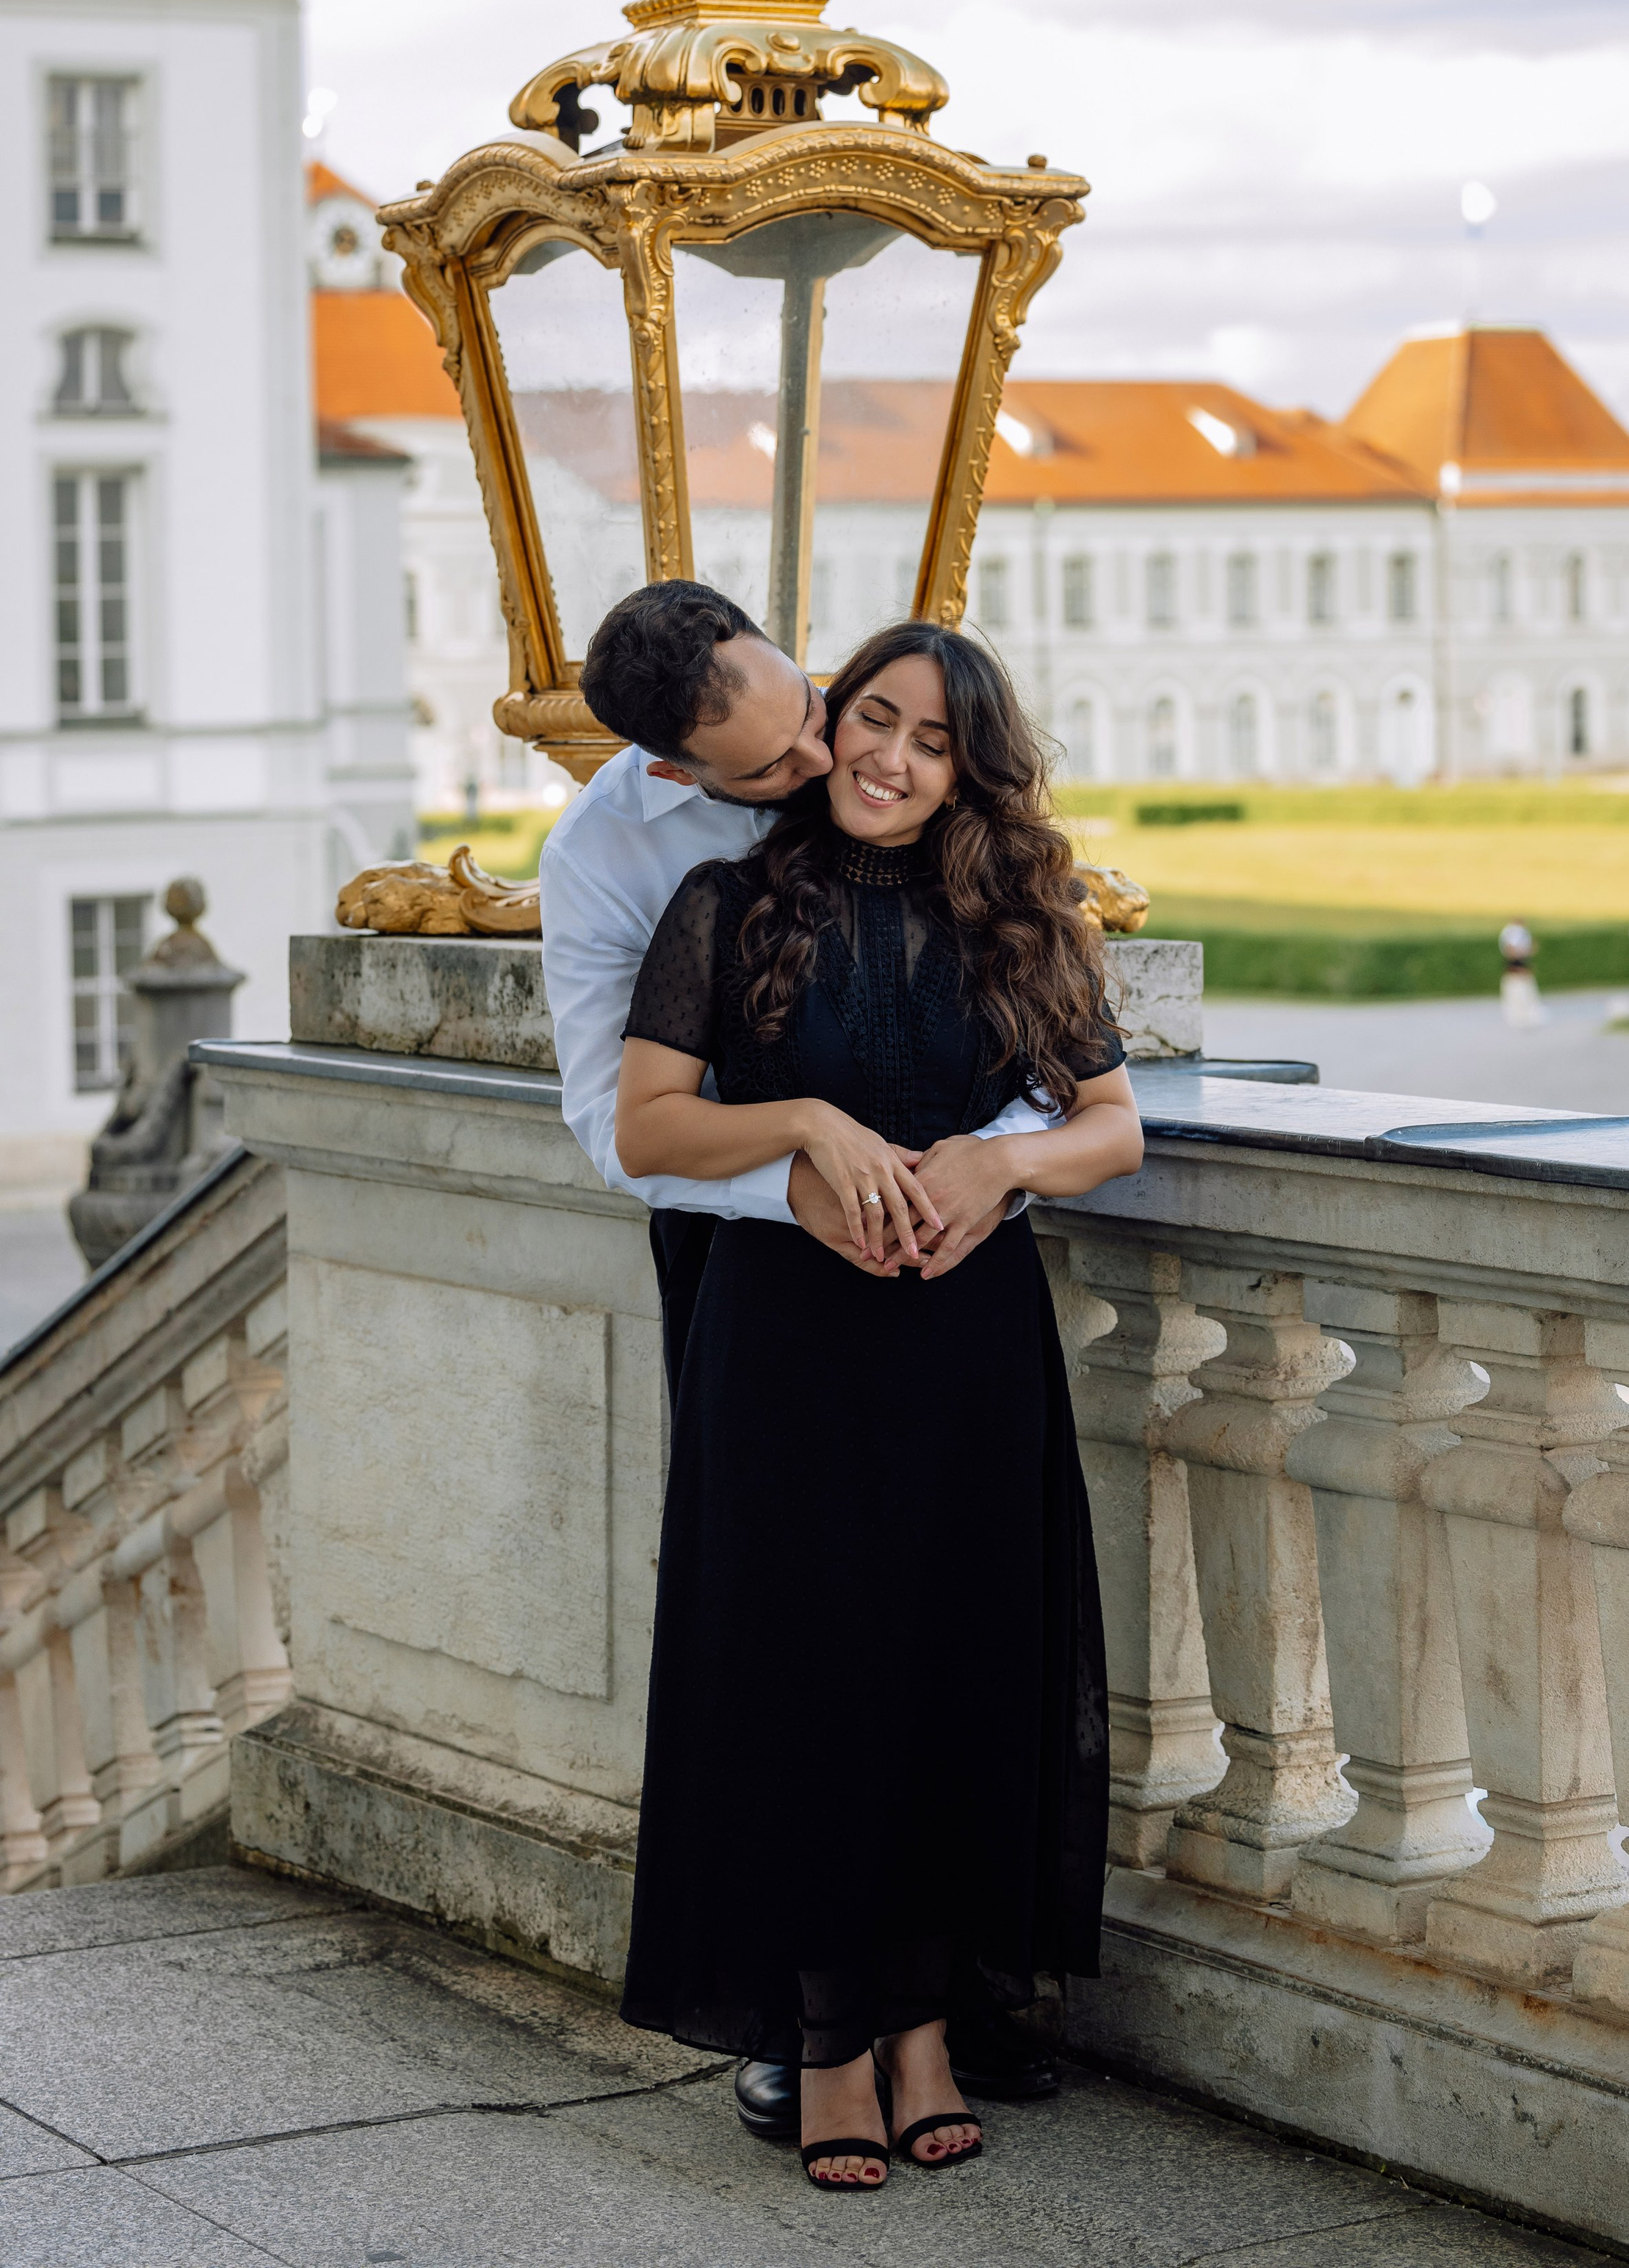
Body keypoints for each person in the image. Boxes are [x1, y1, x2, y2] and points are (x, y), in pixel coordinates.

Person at [537, 580, 1074, 2137]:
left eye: (819, 714)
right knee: (785, 1641)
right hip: (747, 1246)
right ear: (674, 769)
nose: (828, 761)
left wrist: (983, 1169)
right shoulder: (613, 858)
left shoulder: (901, 772)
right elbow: (617, 1127)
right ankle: (802, 2009)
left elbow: (1045, 1050)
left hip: (947, 1249)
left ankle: (940, 1996)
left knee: (952, 1622)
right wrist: (805, 1174)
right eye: (775, 766)